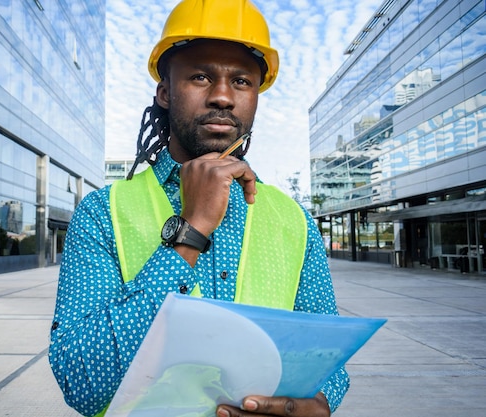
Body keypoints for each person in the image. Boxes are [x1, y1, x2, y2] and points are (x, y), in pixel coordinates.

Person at [49, 0, 349, 416]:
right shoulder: (103, 212)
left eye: (242, 81)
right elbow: (83, 382)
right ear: (166, 92)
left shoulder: (293, 219)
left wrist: (318, 403)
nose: (223, 96)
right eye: (201, 76)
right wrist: (192, 228)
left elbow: (326, 361)